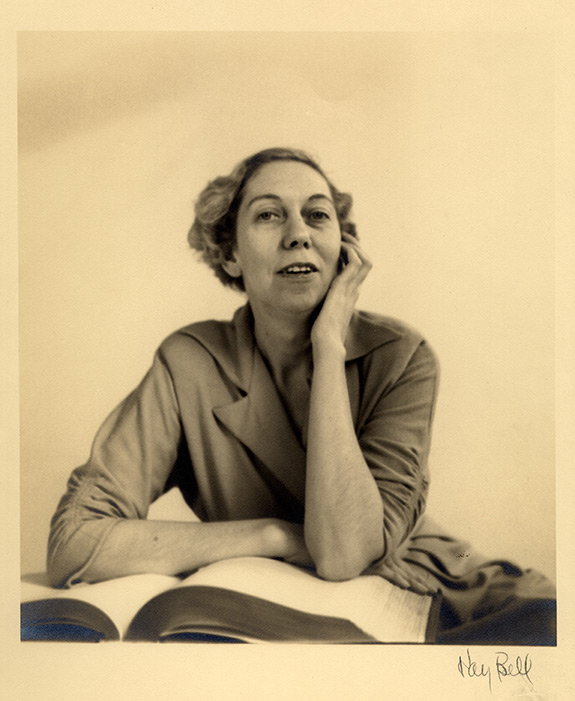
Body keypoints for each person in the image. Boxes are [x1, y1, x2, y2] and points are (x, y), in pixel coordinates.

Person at [47, 147, 556, 644]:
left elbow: (341, 555)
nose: (298, 236)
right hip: (275, 609)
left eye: (317, 215)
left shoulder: (402, 356)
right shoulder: (189, 362)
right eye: (269, 215)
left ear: (344, 251)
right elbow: (74, 542)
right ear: (230, 256)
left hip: (440, 591)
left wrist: (329, 345)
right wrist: (273, 536)